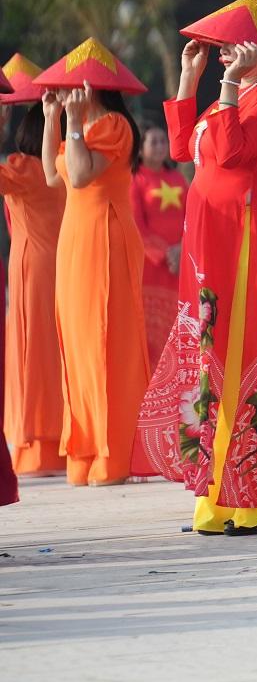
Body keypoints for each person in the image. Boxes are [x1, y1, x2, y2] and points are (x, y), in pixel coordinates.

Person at [135, 0, 257, 532]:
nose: (231, 51)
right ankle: (216, 499)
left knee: (248, 357)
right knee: (214, 359)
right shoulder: (228, 98)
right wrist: (190, 82)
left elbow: (233, 153)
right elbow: (186, 148)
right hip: (213, 242)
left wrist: (228, 85)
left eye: (242, 44)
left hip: (251, 242)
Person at [37, 38, 150, 487]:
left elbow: (82, 174)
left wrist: (73, 122)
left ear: (90, 88)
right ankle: (84, 447)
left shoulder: (114, 126)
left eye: (69, 88)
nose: (64, 94)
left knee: (108, 343)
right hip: (75, 240)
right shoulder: (77, 125)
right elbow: (53, 175)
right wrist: (51, 119)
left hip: (107, 238)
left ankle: (113, 452)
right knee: (79, 343)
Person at [1, 55, 65, 477]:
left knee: (32, 354)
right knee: (57, 354)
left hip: (32, 268)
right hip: (62, 262)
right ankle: (59, 437)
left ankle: (37, 441)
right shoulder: (61, 162)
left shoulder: (21, 169)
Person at [131, 123, 187, 371]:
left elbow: (192, 218)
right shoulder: (136, 180)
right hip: (151, 268)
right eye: (153, 142)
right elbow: (136, 225)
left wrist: (182, 249)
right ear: (140, 149)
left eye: (163, 141)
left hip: (180, 264)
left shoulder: (178, 178)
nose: (159, 146)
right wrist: (166, 254)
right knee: (149, 327)